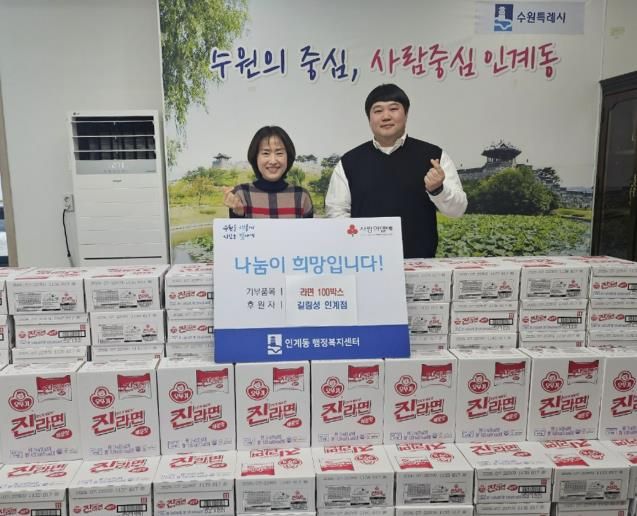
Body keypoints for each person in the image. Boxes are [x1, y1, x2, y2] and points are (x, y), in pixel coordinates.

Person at [325, 84, 467, 258]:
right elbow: (336, 213)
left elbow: (457, 210)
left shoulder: (433, 157)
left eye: (393, 109)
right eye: (378, 111)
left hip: (420, 264)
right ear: (369, 118)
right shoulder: (349, 162)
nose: (386, 116)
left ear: (406, 114)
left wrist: (438, 190)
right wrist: (356, 249)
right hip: (367, 263)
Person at [223, 126, 314, 218]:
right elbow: (237, 227)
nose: (273, 161)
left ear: (288, 157)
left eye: (279, 153)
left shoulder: (302, 196)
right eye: (266, 153)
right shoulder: (241, 194)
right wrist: (238, 212)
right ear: (255, 157)